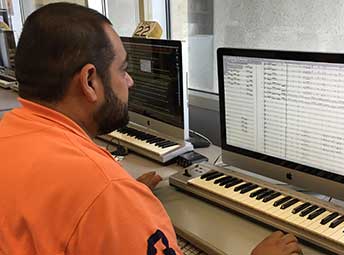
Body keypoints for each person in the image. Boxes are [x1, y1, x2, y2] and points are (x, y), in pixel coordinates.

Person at [0, 3, 302, 255]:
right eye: (123, 69)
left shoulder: (10, 133)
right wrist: (118, 205)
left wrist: (123, 208)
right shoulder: (105, 191)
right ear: (90, 81)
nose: (129, 82)